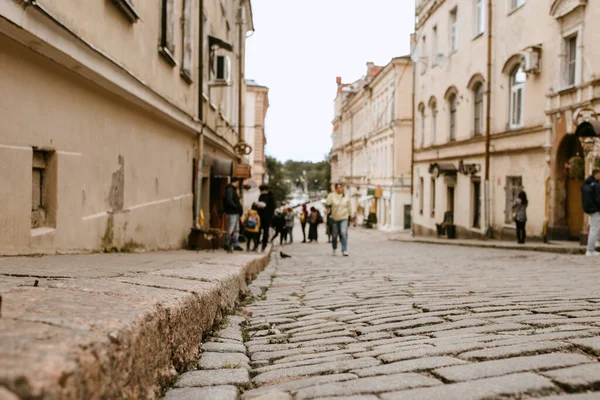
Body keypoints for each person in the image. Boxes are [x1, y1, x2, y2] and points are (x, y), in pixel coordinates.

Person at [326, 183, 352, 256]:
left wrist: (351, 216)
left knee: (343, 233)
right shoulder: (332, 195)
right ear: (335, 188)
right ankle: (334, 248)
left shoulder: (346, 196)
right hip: (335, 218)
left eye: (340, 187)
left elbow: (349, 207)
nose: (339, 189)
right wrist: (330, 194)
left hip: (344, 218)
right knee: (334, 235)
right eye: (338, 187)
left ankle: (344, 250)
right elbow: (328, 203)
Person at [581, 169, 600, 256]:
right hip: (595, 209)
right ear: (596, 174)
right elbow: (598, 199)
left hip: (589, 209)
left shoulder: (586, 184)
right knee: (594, 229)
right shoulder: (596, 185)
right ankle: (590, 250)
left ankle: (594, 244)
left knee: (594, 228)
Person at [223, 179, 243, 252]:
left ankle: (235, 244)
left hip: (235, 212)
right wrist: (236, 207)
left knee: (236, 229)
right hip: (232, 212)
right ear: (236, 182)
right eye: (238, 182)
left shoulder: (233, 189)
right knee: (231, 228)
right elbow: (229, 200)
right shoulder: (230, 189)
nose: (238, 184)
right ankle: (227, 243)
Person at [257, 184, 276, 251]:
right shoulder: (262, 195)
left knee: (265, 230)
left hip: (267, 216)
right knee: (258, 229)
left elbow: (273, 206)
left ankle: (264, 244)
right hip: (260, 215)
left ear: (265, 190)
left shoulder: (270, 196)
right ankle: (257, 243)